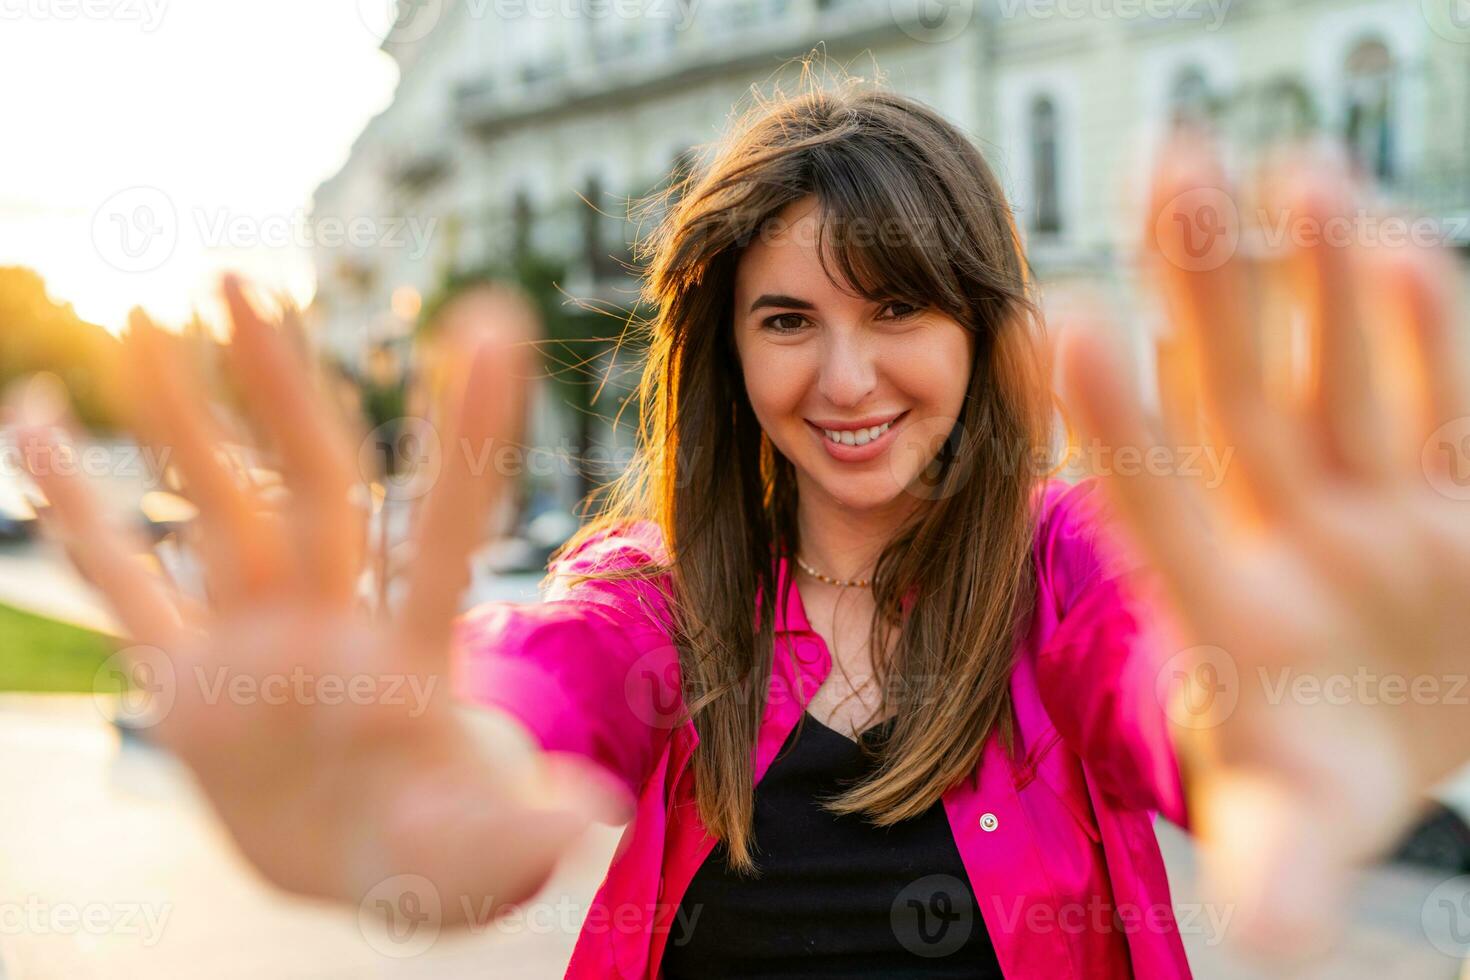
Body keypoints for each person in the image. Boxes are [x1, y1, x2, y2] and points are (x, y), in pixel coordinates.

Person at [10, 79, 1469, 977]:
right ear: (724, 352)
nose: (843, 378)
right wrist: (439, 778)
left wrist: (1283, 715)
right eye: (787, 320)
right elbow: (538, 686)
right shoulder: (655, 593)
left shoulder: (1065, 558)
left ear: (979, 330)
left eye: (896, 309)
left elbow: (1167, 682)